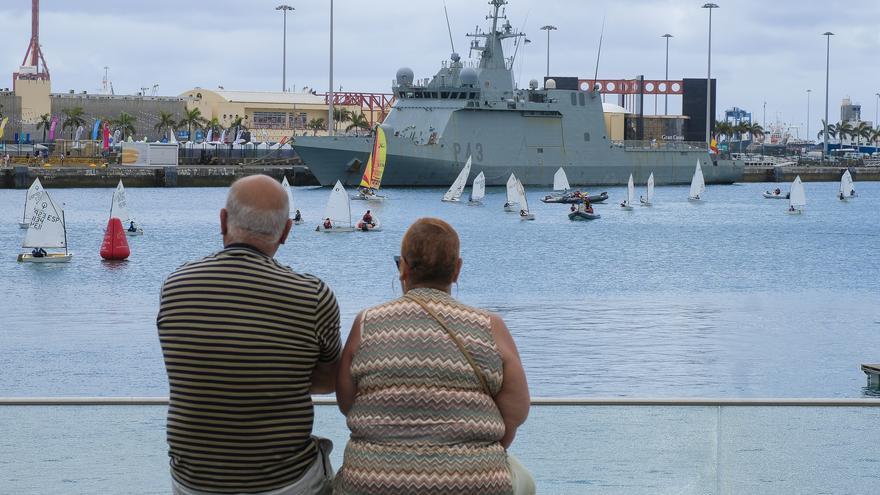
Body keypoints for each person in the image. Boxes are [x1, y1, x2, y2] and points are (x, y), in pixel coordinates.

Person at [157, 175, 341, 495]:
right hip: (285, 481)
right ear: (285, 232)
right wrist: (277, 370)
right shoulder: (313, 296)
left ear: (223, 220)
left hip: (194, 482)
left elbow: (193, 365)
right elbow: (328, 381)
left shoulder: (176, 286)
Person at [335, 218, 534, 495]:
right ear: (457, 270)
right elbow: (516, 411)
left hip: (372, 482)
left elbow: (346, 403)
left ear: (403, 268)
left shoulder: (367, 323)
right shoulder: (490, 327)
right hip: (473, 483)